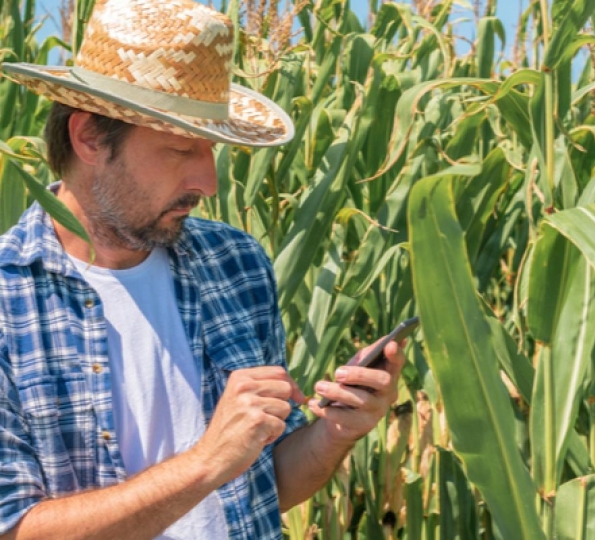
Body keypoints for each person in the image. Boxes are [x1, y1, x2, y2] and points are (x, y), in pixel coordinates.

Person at [0, 1, 405, 538]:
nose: (208, 183)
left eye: (211, 150)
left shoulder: (234, 262)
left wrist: (336, 430)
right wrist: (208, 459)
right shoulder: (9, 297)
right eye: (181, 149)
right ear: (90, 138)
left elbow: (260, 488)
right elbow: (16, 528)